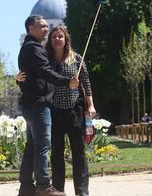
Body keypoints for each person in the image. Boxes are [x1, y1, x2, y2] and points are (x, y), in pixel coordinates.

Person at [17, 25, 95, 196]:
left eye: (60, 36)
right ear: (50, 41)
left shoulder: (77, 59)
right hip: (54, 112)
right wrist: (19, 79)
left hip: (74, 111)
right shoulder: (46, 59)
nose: (57, 39)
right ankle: (58, 190)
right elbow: (33, 75)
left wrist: (90, 105)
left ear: (66, 39)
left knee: (79, 154)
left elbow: (86, 83)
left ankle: (82, 192)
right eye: (54, 37)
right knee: (56, 154)